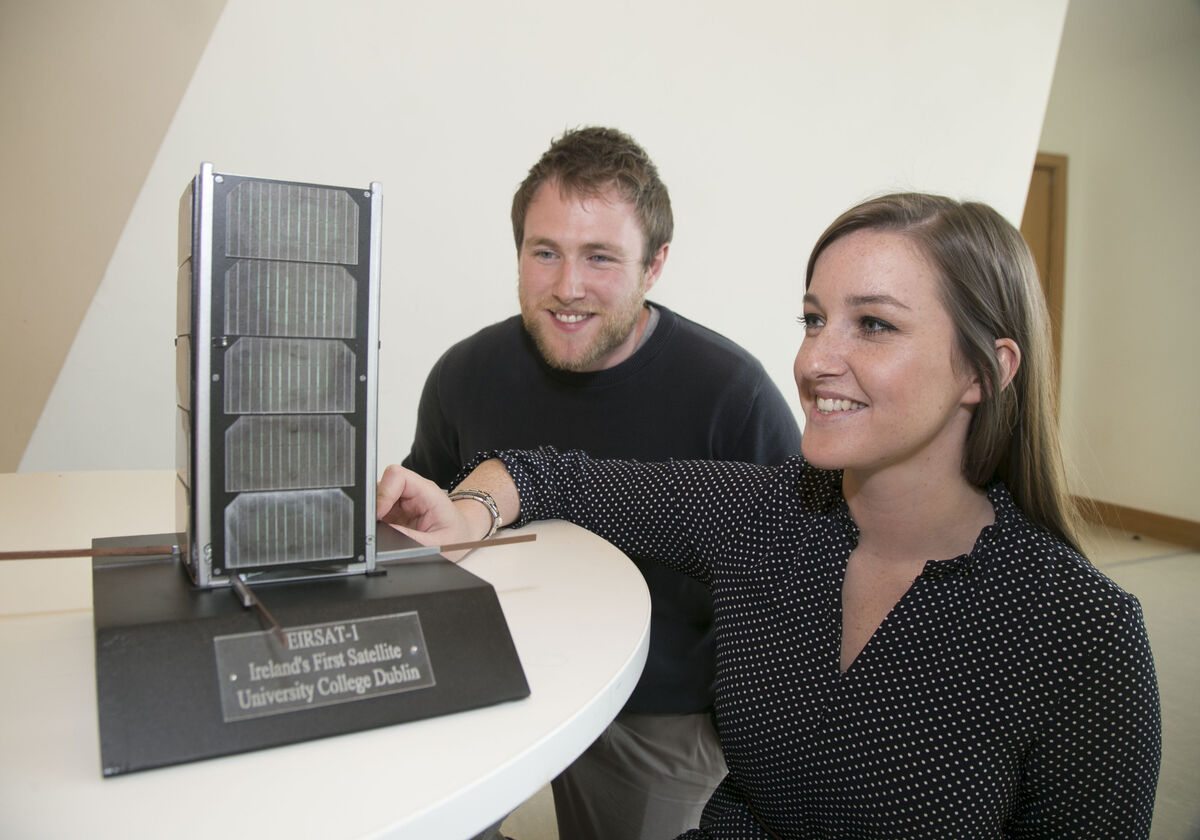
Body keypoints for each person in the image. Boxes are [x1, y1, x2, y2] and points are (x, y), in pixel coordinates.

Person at [380, 192, 1162, 839]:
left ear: (986, 370)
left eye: (875, 325)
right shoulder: (765, 516)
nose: (816, 360)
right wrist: (468, 509)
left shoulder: (1081, 637)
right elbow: (549, 475)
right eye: (815, 319)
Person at [400, 126, 803, 839]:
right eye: (544, 252)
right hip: (488, 676)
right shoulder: (463, 374)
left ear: (655, 266)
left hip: (658, 709)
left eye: (601, 258)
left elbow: (800, 577)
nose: (567, 287)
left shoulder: (731, 395)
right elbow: (425, 537)